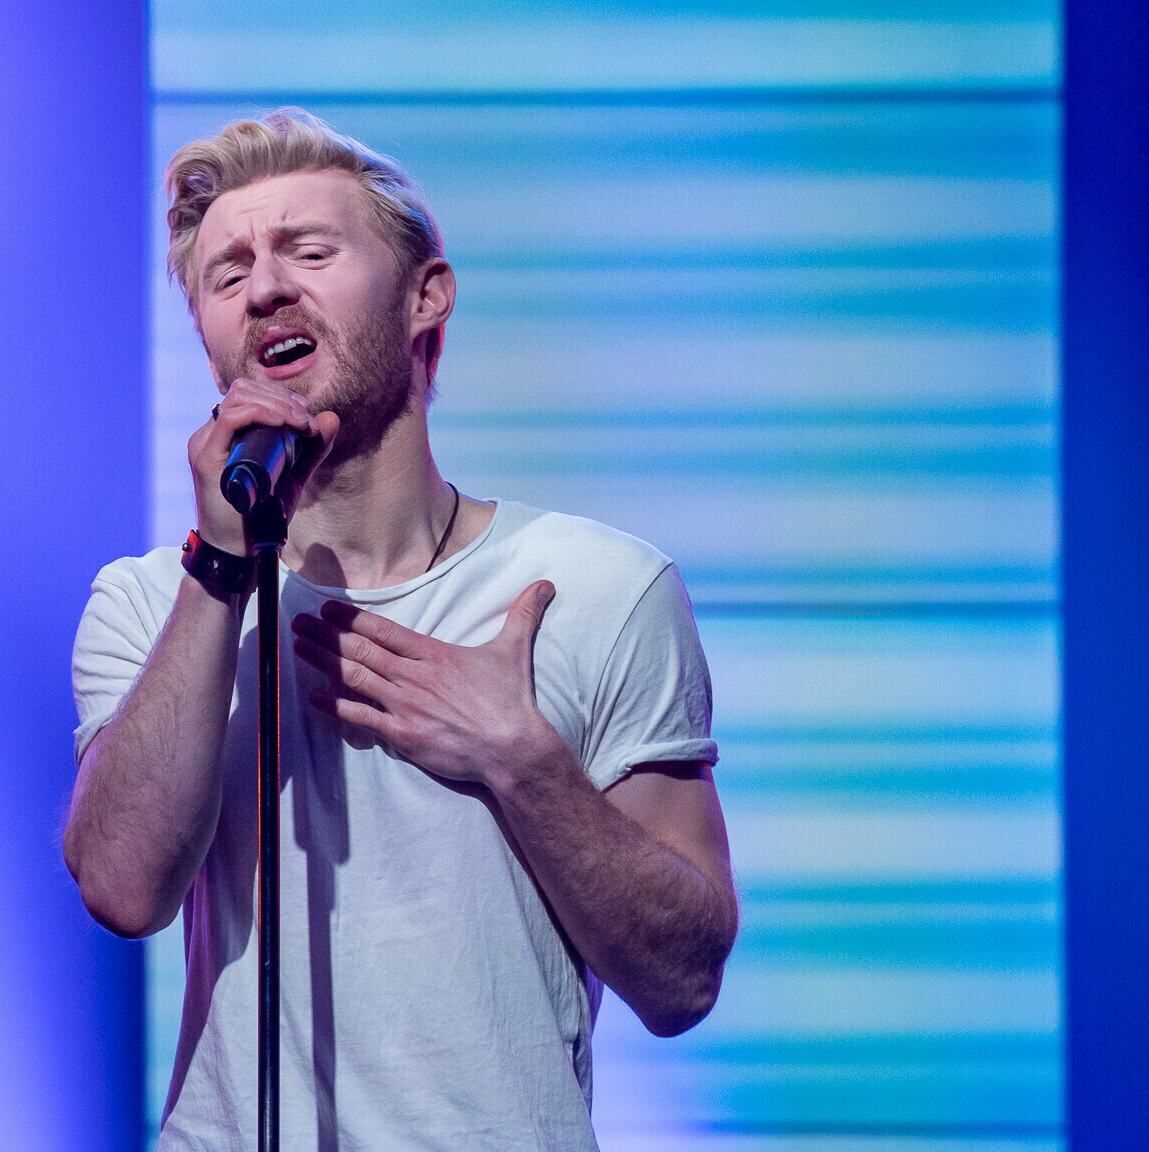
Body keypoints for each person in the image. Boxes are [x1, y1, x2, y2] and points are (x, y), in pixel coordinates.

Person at [63, 109, 735, 1151]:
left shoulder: (599, 587)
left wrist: (521, 763)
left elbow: (681, 980)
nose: (265, 289)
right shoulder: (153, 603)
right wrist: (220, 570)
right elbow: (121, 887)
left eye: (308, 252)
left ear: (427, 297)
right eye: (227, 274)